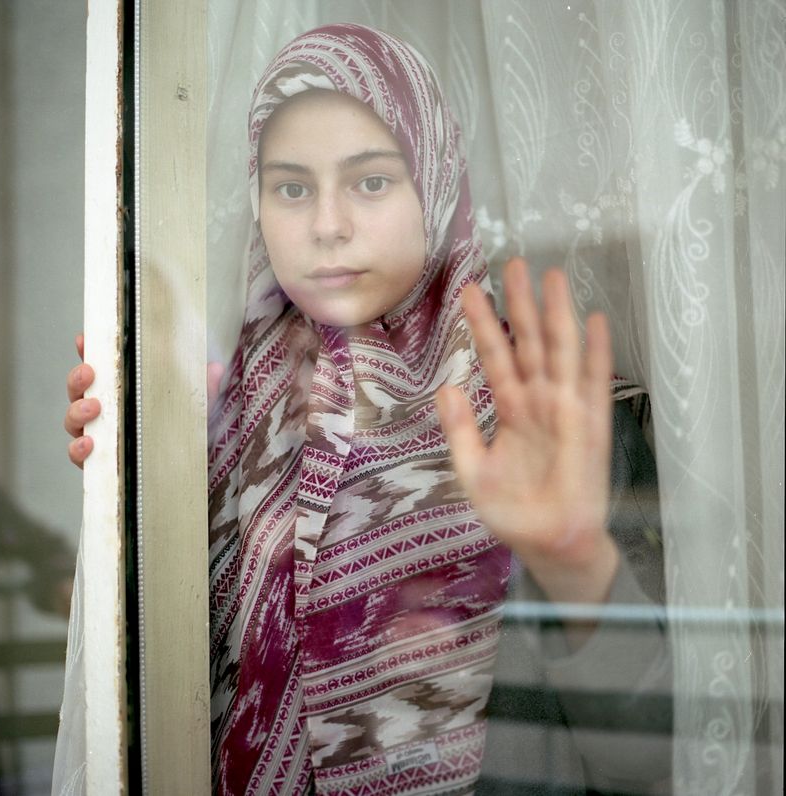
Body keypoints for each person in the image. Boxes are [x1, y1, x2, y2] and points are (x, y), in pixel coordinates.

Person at [63, 23, 669, 795]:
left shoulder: (551, 412)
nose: (326, 224)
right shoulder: (222, 422)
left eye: (372, 181)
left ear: (437, 184)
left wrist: (577, 566)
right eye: (291, 188)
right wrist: (127, 477)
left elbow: (659, 763)